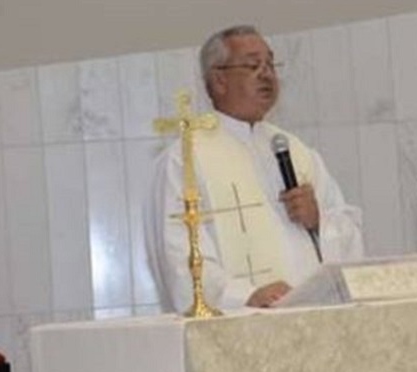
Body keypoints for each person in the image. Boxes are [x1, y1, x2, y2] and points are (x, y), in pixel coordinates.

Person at [145, 25, 364, 312]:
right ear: (219, 79)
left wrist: (319, 220)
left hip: (312, 320)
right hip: (241, 329)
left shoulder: (294, 150)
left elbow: (349, 233)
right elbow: (177, 256)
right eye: (252, 65)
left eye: (271, 64)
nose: (267, 74)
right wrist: (246, 295)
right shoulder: (185, 160)